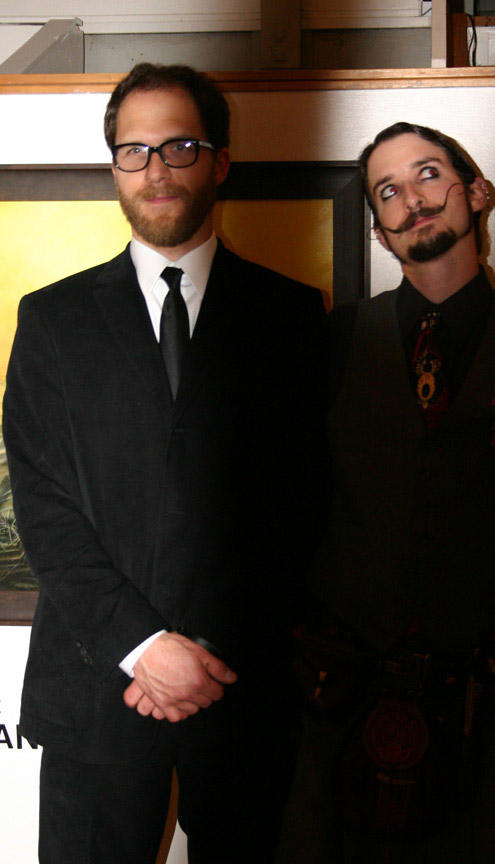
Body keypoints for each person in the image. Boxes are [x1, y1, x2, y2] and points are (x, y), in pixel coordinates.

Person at [2, 63, 329, 864]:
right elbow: (43, 511)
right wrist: (144, 646)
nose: (156, 169)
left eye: (179, 146)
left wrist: (202, 654)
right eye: (134, 150)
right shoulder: (51, 322)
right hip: (94, 690)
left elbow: (300, 508)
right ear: (115, 166)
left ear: (220, 161)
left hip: (241, 690)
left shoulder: (291, 317)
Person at [277, 122, 495, 864]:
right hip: (339, 694)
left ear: (478, 193)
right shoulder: (332, 341)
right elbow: (284, 514)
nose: (412, 198)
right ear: (380, 233)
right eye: (388, 191)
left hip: (486, 694)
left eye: (429, 175)